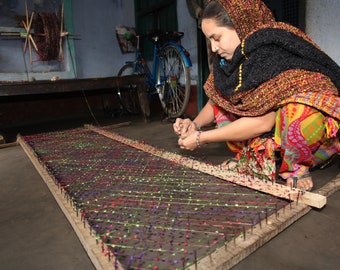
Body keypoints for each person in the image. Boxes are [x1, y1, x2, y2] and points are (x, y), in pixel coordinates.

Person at [174, 0, 340, 191]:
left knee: (300, 109)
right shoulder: (229, 63)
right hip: (274, 138)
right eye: (209, 40)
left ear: (240, 26)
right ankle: (258, 158)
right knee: (226, 102)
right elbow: (216, 100)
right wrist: (194, 125)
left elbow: (263, 122)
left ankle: (296, 168)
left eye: (217, 38)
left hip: (312, 145)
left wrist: (200, 138)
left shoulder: (272, 54)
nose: (213, 48)